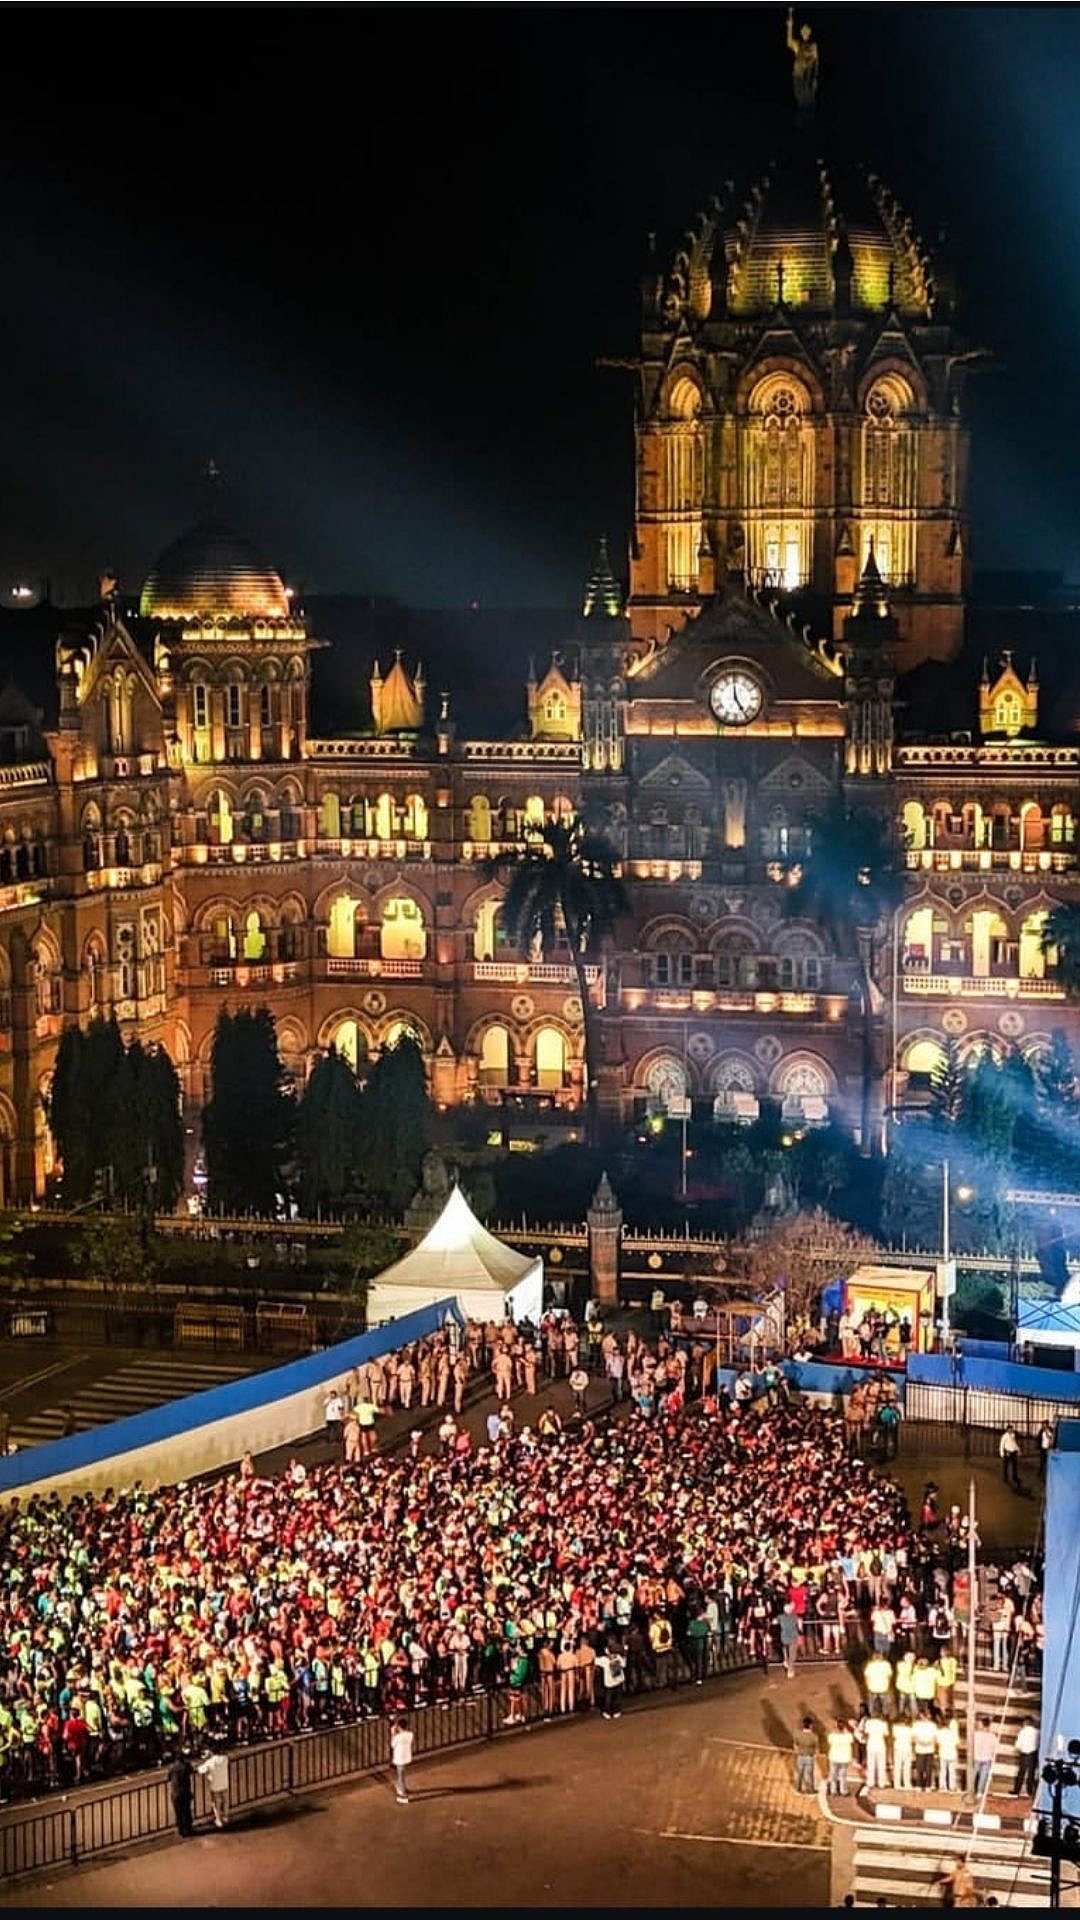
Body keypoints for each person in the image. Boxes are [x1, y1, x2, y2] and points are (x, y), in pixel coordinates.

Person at [198, 1743, 229, 1829]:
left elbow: (200, 1770)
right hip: (224, 1783)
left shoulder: (210, 1762)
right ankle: (225, 1817)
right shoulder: (224, 1758)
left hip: (214, 1784)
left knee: (216, 1803)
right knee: (225, 1800)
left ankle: (218, 1819)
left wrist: (207, 1758)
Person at [168, 1749, 195, 1837]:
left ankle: (181, 1830)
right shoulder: (186, 1766)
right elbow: (192, 1770)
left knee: (178, 1812)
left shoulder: (172, 1767)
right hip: (185, 1791)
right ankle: (189, 1829)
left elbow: (168, 1778)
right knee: (187, 1811)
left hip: (176, 1793)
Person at [1012, 1718, 1039, 1799]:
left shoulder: (1022, 1732)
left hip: (1024, 1754)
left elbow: (1018, 1744)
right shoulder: (1037, 1732)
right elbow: (1038, 1743)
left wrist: (1018, 1749)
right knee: (1031, 1773)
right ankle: (1030, 1791)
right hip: (1033, 1754)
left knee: (1021, 1772)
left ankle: (1017, 1790)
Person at [971, 1716, 997, 1800]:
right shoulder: (993, 1736)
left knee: (973, 1774)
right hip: (986, 1758)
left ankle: (970, 1790)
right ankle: (979, 1792)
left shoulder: (976, 1734)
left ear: (982, 1725)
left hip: (977, 1757)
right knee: (983, 1776)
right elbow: (995, 1748)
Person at [390, 1716, 414, 1804]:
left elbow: (392, 1745)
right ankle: (402, 1788)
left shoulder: (397, 1737)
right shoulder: (410, 1734)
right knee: (401, 1775)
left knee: (400, 1777)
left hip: (399, 1758)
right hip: (406, 1757)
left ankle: (403, 1795)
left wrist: (393, 1734)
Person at [827, 1719, 853, 1797]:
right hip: (844, 1758)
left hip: (834, 1757)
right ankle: (843, 1791)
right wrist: (846, 1731)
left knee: (833, 1775)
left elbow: (829, 1741)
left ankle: (833, 1791)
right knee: (843, 1775)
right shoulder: (848, 1736)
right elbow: (851, 1740)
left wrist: (834, 1730)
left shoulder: (833, 1735)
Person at [793, 1716, 818, 1796]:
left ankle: (798, 1788)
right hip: (809, 1757)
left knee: (799, 1772)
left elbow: (795, 1745)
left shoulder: (798, 1734)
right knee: (809, 1774)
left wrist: (798, 1752)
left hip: (800, 1756)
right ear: (810, 1725)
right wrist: (815, 1755)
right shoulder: (814, 1736)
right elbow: (816, 1748)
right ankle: (810, 1789)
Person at [999, 1425, 1021, 1490]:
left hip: (1013, 1452)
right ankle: (1005, 1478)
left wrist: (1018, 1449)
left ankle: (1015, 1477)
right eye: (1010, 1429)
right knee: (1006, 1466)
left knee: (1015, 1465)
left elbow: (1014, 1443)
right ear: (1007, 1429)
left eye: (1011, 1429)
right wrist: (1002, 1454)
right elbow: (1001, 1445)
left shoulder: (1013, 1435)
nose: (1011, 1430)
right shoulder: (1004, 1436)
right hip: (1007, 1452)